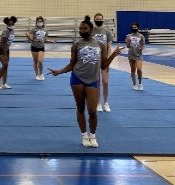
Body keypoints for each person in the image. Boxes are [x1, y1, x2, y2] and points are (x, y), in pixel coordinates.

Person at [49, 16, 123, 148]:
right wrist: (59, 71)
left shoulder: (100, 45)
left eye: (85, 28)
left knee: (92, 111)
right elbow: (72, 64)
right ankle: (84, 135)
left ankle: (92, 136)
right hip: (77, 78)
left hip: (93, 80)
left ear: (91, 29)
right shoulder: (76, 45)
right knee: (80, 107)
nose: (82, 30)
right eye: (80, 29)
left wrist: (114, 55)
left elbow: (103, 65)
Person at [92, 13, 113, 112]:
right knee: (96, 82)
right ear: (94, 20)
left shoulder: (107, 32)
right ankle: (97, 103)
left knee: (105, 82)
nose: (99, 20)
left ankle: (106, 102)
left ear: (103, 20)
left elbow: (109, 47)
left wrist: (108, 60)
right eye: (97, 19)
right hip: (94, 60)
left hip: (104, 60)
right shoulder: (91, 31)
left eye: (100, 19)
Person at [0, 16, 18, 89]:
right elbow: (4, 43)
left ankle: (4, 83)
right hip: (0, 49)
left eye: (12, 24)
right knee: (4, 64)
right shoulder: (6, 31)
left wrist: (6, 51)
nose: (11, 25)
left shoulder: (13, 31)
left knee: (6, 66)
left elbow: (8, 43)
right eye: (9, 24)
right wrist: (4, 54)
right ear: (7, 24)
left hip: (6, 49)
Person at [27, 16, 53, 81]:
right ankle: (37, 75)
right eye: (38, 21)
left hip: (41, 47)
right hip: (34, 46)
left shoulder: (45, 30)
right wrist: (29, 37)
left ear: (43, 22)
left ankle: (41, 73)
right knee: (35, 61)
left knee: (40, 61)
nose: (39, 22)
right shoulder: (34, 29)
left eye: (41, 21)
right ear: (36, 22)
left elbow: (45, 39)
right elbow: (30, 36)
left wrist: (51, 41)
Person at [126, 22, 145, 91]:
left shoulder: (141, 36)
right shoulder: (129, 36)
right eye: (133, 27)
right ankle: (134, 84)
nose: (134, 28)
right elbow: (128, 46)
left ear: (138, 28)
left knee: (139, 69)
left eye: (135, 27)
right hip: (131, 54)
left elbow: (143, 45)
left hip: (138, 55)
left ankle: (140, 83)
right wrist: (128, 41)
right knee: (133, 69)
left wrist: (141, 48)